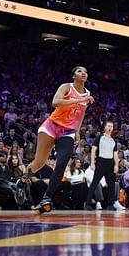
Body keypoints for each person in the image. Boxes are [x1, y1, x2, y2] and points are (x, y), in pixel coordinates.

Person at [26, 66, 95, 214]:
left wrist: (77, 132)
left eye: (85, 72)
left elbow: (81, 114)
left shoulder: (87, 93)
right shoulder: (66, 87)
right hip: (51, 126)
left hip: (68, 132)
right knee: (39, 163)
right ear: (73, 76)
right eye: (79, 71)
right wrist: (80, 99)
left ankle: (46, 198)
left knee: (62, 163)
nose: (83, 73)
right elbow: (55, 102)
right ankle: (24, 178)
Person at [85, 121, 123, 211]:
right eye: (108, 126)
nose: (110, 128)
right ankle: (88, 203)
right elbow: (93, 150)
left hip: (110, 162)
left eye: (112, 126)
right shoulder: (99, 137)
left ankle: (110, 204)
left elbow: (115, 154)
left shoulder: (114, 141)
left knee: (112, 185)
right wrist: (92, 163)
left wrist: (116, 165)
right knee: (95, 182)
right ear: (105, 127)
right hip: (101, 161)